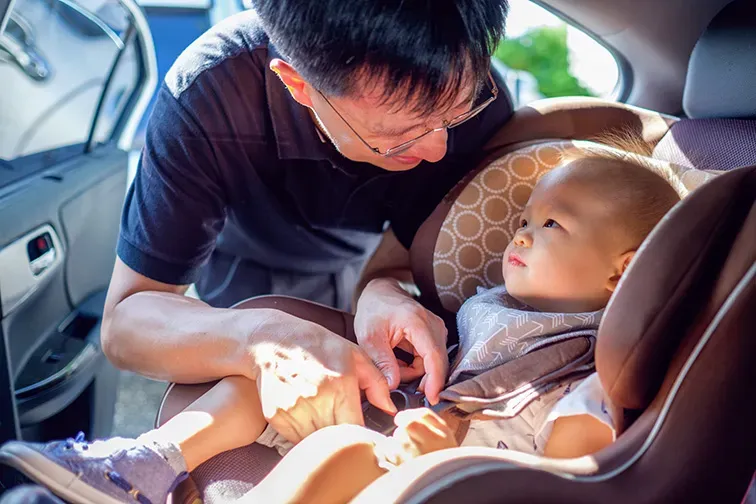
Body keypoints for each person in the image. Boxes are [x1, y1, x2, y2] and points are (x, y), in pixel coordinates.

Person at [0, 141, 685, 504]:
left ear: (621, 273)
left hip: (474, 473)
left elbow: (570, 474)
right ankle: (144, 467)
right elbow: (468, 362)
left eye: (552, 226)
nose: (524, 235)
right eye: (526, 219)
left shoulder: (593, 360)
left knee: (340, 452)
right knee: (266, 376)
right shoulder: (492, 305)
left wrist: (451, 454)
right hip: (417, 418)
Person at [102, 0, 511, 447]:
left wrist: (382, 287)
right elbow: (126, 322)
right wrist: (259, 338)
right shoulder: (211, 94)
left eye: (454, 114)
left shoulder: (479, 102)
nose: (438, 149)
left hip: (369, 249)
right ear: (298, 84)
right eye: (403, 135)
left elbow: (419, 248)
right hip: (251, 256)